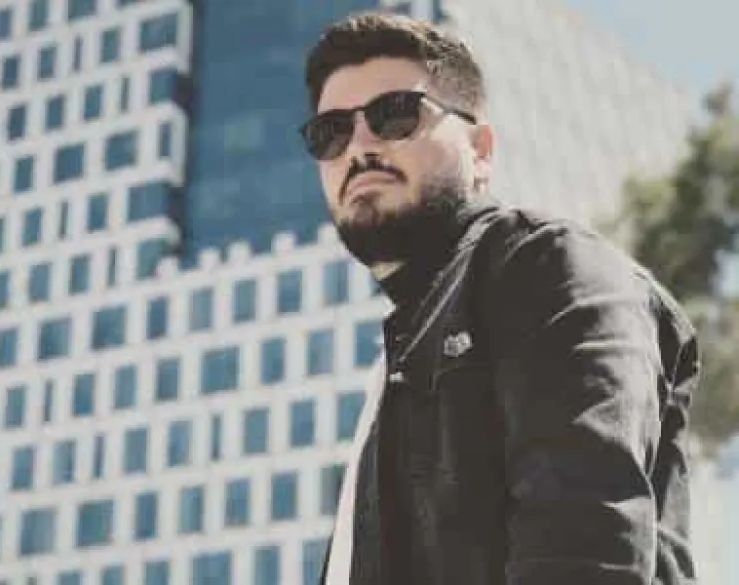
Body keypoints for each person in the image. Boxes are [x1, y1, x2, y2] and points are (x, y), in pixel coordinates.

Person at [299, 11, 700, 585]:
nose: (359, 147)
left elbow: (585, 544)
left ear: (480, 149)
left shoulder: (547, 266)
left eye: (395, 114)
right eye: (331, 132)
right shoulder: (401, 350)